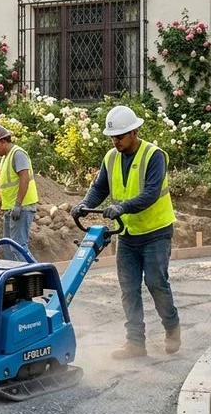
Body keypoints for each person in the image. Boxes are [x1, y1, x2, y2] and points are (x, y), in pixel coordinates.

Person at [71, 105, 180, 359]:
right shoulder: (111, 158)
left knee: (155, 283)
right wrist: (85, 205)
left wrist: (122, 207)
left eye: (120, 136)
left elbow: (151, 193)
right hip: (128, 234)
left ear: (134, 132)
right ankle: (135, 343)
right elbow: (100, 188)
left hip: (156, 231)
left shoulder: (154, 156)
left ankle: (172, 327)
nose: (115, 141)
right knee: (129, 289)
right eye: (112, 137)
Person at [0, 124, 38, 260]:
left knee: (18, 247)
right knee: (9, 248)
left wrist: (18, 204)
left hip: (22, 207)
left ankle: (39, 273)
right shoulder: (5, 158)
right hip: (11, 208)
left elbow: (24, 178)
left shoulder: (18, 154)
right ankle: (17, 274)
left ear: (3, 141)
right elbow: (8, 186)